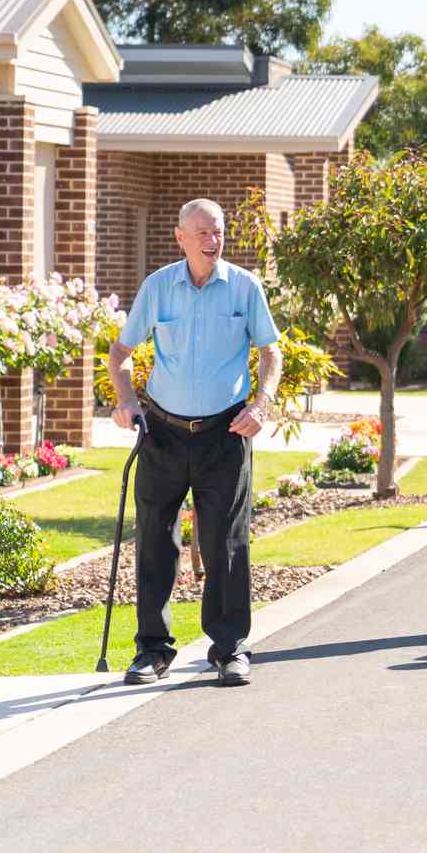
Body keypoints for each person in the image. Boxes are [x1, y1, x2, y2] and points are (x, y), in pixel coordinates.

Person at [106, 199, 282, 687]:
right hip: (161, 432)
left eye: (219, 231)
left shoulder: (245, 287)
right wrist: (127, 402)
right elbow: (119, 353)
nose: (212, 239)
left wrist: (261, 404)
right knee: (155, 541)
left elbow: (271, 353)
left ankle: (229, 648)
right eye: (202, 232)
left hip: (225, 434)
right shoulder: (158, 287)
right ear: (180, 237)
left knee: (225, 542)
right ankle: (153, 650)